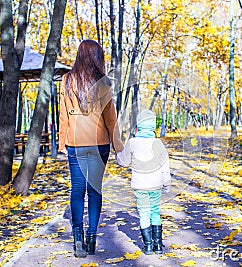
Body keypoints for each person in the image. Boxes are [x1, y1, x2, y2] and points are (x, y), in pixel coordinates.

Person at [58, 40, 124, 258]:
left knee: (77, 189)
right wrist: (118, 146)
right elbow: (110, 118)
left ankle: (78, 237)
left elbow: (63, 116)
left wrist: (61, 144)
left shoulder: (67, 80)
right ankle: (92, 238)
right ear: (97, 58)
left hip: (75, 143)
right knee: (94, 190)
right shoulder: (103, 82)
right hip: (99, 143)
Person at [117, 110, 171, 255]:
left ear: (138, 127)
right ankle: (158, 246)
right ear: (153, 128)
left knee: (144, 213)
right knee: (155, 212)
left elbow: (124, 161)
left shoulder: (133, 143)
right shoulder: (158, 143)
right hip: (156, 184)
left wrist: (118, 154)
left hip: (140, 185)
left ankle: (147, 246)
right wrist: (167, 184)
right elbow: (165, 166)